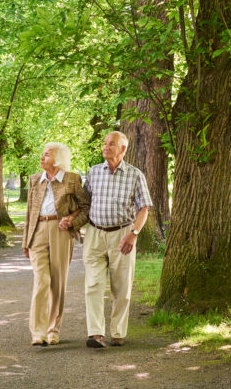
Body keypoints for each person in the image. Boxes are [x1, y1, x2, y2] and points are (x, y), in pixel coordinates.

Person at [62, 130, 151, 348]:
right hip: (94, 233)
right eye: (104, 143)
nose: (105, 147)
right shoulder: (93, 172)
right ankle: (95, 334)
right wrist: (71, 218)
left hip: (122, 234)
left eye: (111, 144)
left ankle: (118, 332)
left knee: (121, 287)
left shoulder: (135, 175)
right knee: (93, 283)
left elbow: (144, 208)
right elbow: (85, 203)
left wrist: (134, 233)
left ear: (123, 149)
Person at [23, 142, 90, 346]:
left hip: (61, 232)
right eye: (42, 154)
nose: (42, 158)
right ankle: (38, 332)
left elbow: (86, 207)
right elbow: (29, 212)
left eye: (47, 155)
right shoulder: (35, 179)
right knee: (41, 280)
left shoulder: (72, 179)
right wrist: (26, 241)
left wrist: (72, 221)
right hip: (38, 231)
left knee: (57, 283)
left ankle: (53, 330)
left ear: (59, 158)